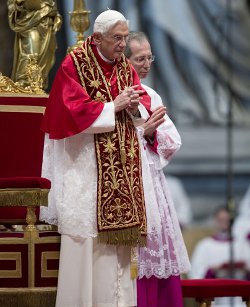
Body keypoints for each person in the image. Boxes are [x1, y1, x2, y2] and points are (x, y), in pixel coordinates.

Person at [40, 9, 153, 307]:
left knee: (117, 255)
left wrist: (132, 108)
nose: (122, 45)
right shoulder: (74, 64)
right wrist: (112, 106)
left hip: (122, 175)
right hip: (86, 170)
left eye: (126, 38)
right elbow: (67, 113)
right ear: (98, 37)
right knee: (86, 244)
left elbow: (140, 109)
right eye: (117, 38)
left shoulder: (124, 67)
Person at [124, 31, 190, 307]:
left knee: (157, 254)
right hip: (124, 184)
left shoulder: (151, 95)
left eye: (150, 57)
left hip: (152, 182)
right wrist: (141, 134)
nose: (147, 63)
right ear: (125, 60)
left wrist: (150, 135)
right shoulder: (115, 94)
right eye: (140, 58)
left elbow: (172, 140)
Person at [190, 206, 250, 307]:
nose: (224, 223)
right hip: (214, 300)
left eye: (227, 220)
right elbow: (196, 274)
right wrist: (212, 271)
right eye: (221, 220)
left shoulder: (242, 244)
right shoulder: (204, 245)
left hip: (240, 300)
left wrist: (245, 269)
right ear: (215, 220)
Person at [7, 0, 62, 89]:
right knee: (31, 54)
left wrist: (56, 16)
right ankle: (24, 83)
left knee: (46, 55)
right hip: (29, 21)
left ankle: (37, 85)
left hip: (46, 23)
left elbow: (52, 4)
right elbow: (14, 3)